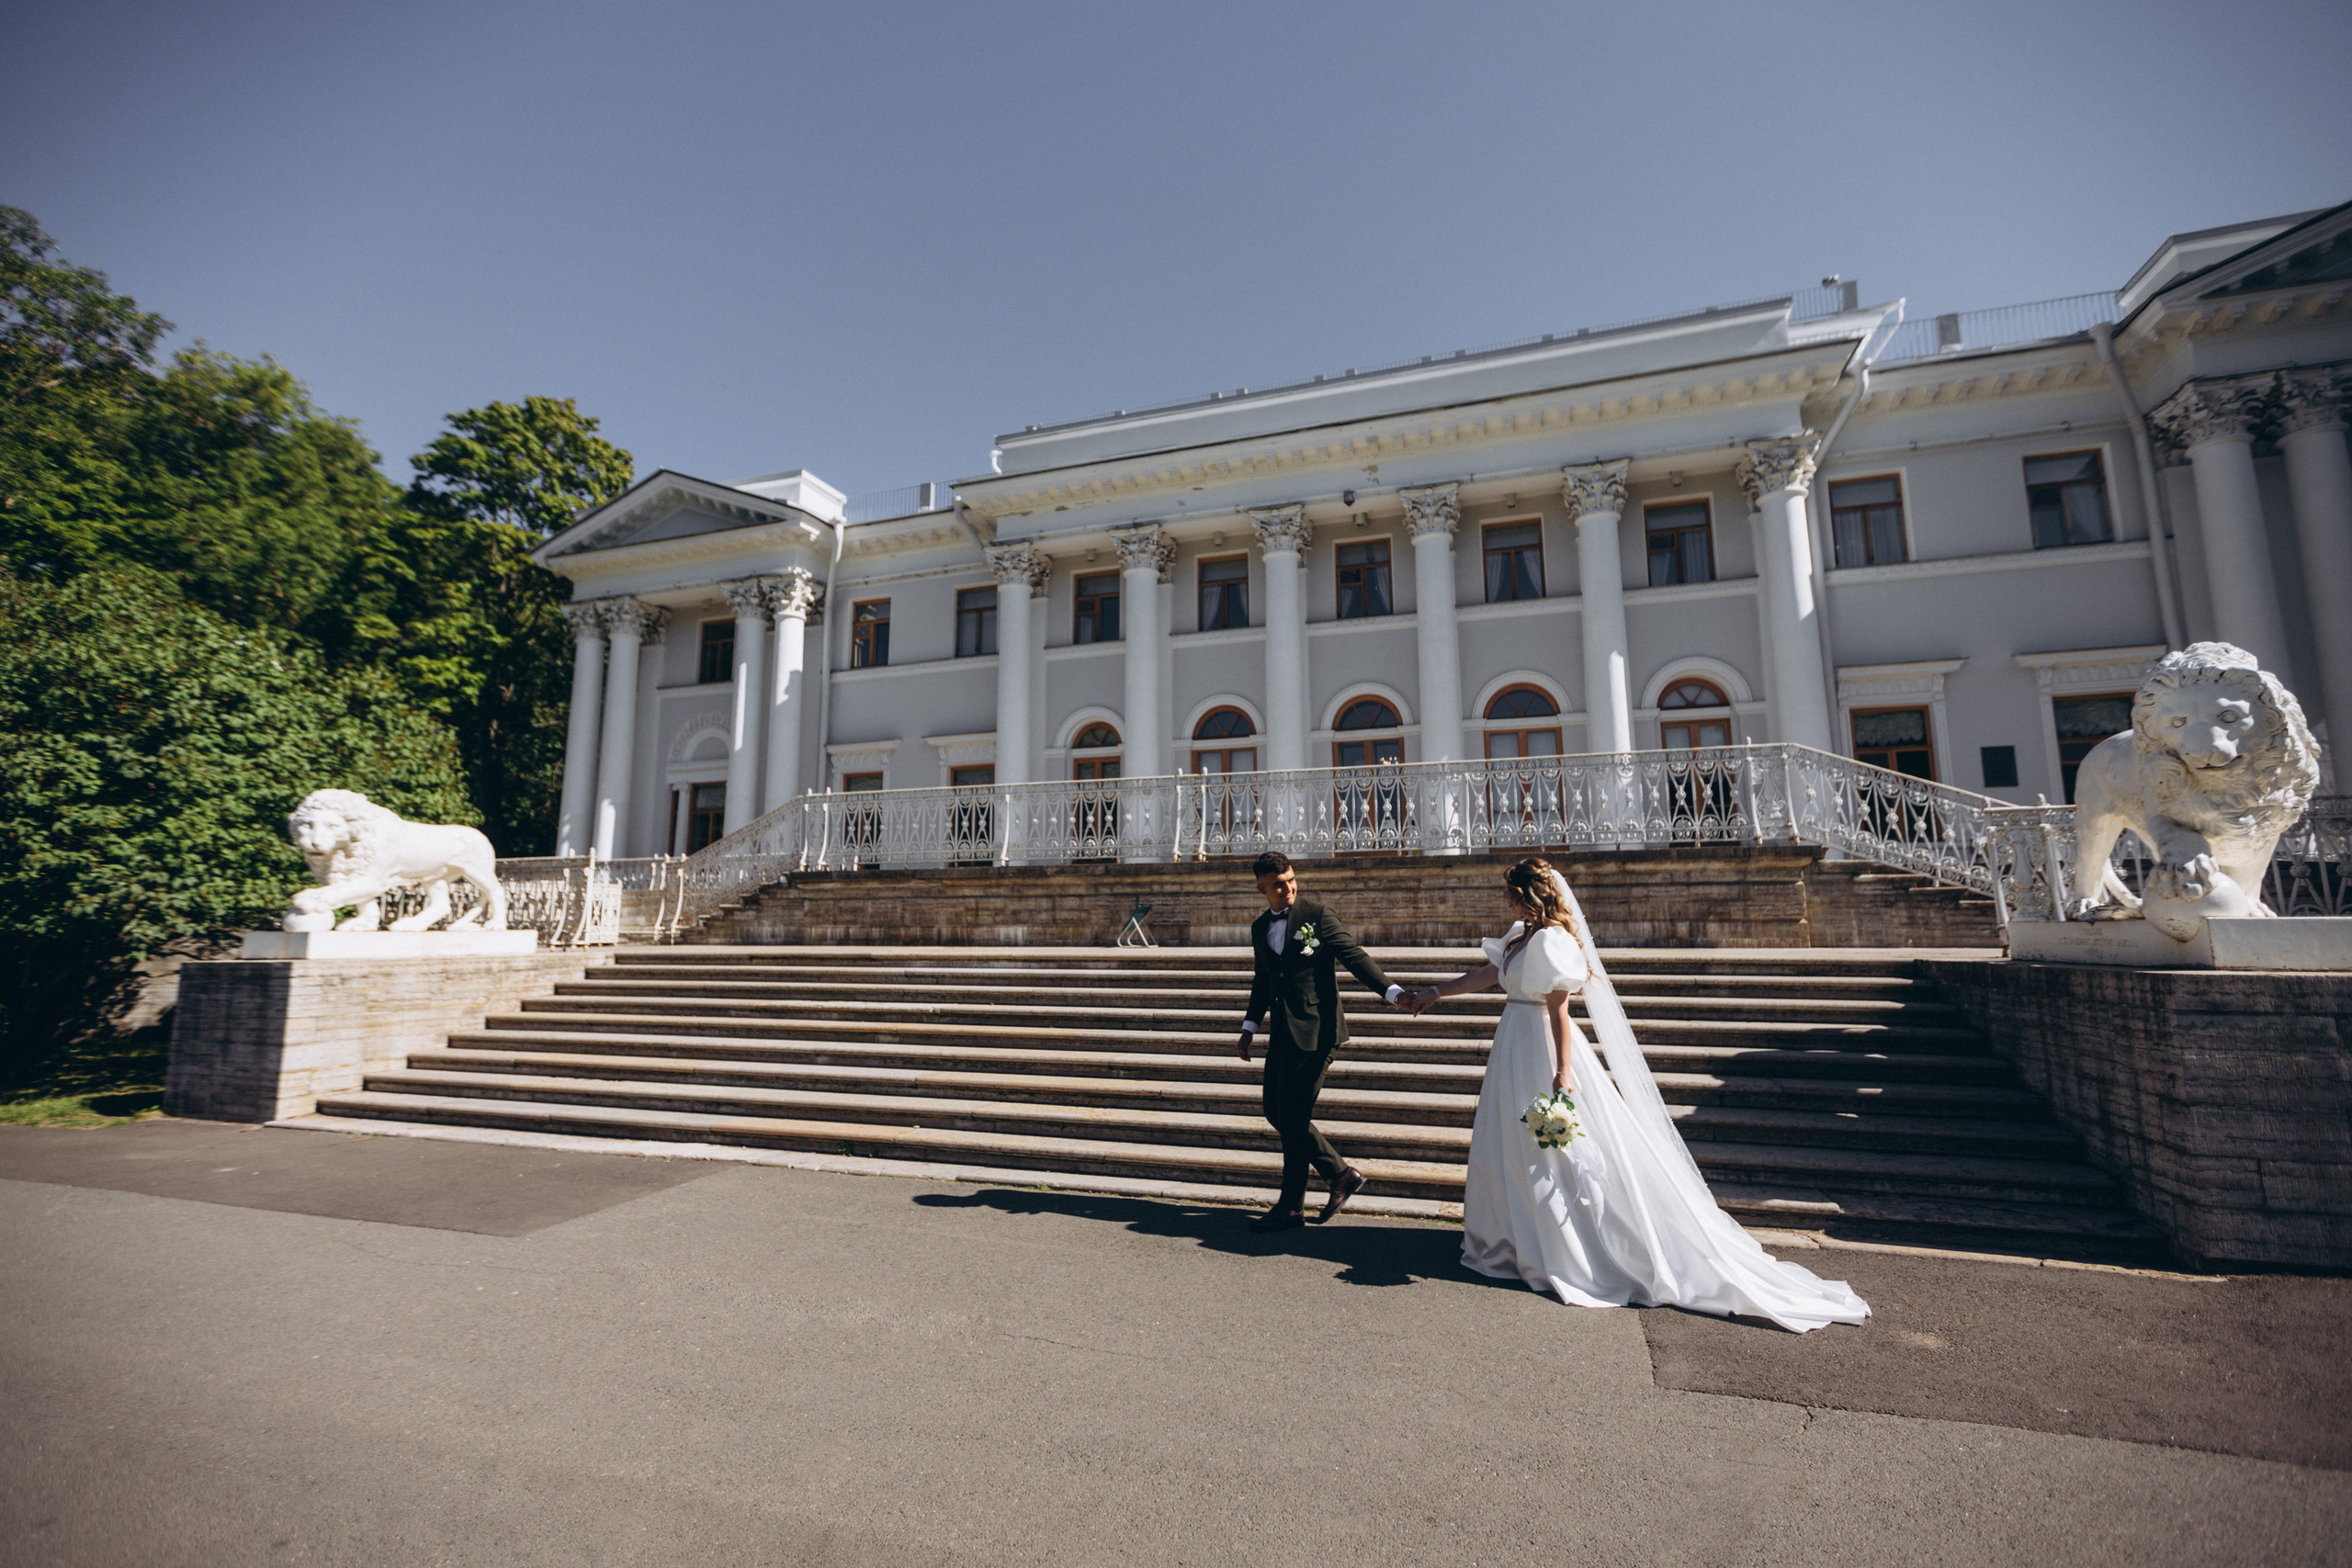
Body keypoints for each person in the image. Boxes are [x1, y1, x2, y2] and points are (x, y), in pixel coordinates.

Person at [1400, 856, 1870, 1333]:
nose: (1504, 897)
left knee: (1555, 1153)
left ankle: (1566, 1251)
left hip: (1540, 1046)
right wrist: (1436, 991)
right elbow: (1490, 974)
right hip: (1513, 1045)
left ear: (1530, 893)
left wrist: (1564, 1071)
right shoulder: (1523, 935)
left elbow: (1561, 1012)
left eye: (1510, 890)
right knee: (1512, 1146)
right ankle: (1516, 1241)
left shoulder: (1550, 940)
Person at [1238, 851, 1409, 1233]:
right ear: (1261, 888)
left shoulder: (1317, 915)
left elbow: (1354, 957)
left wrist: (1394, 994)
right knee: (1274, 1112)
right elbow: (1262, 980)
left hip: (1319, 1032)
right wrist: (1250, 1026)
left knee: (1294, 1117)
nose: (1289, 888)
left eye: (1292, 880)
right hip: (1283, 1031)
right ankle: (1340, 1174)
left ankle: (1291, 1207)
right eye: (1279, 884)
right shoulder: (1259, 927)